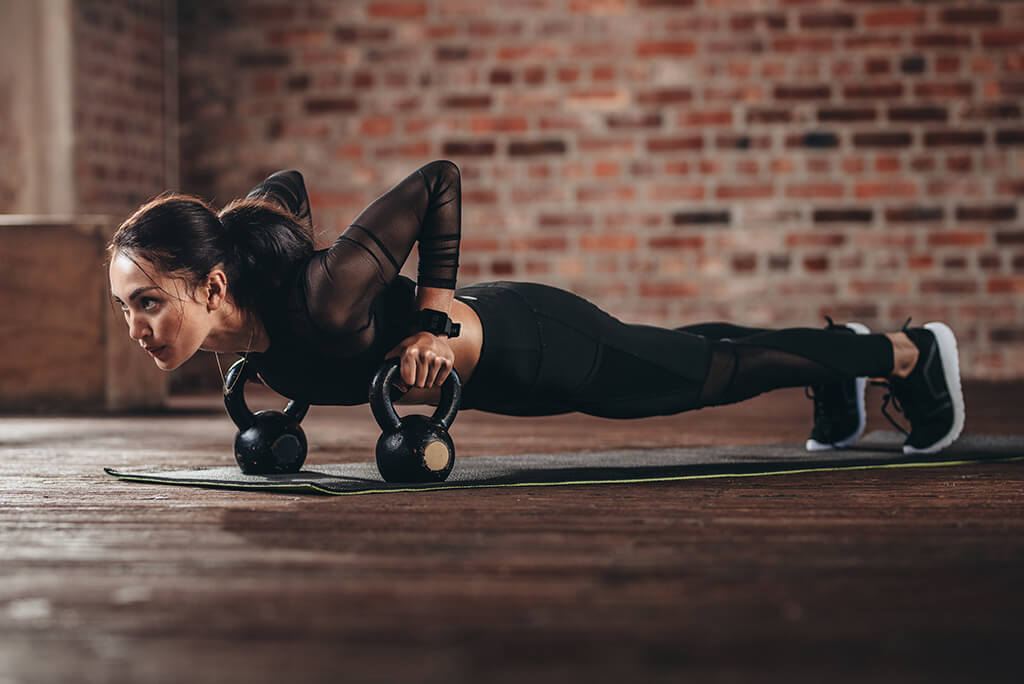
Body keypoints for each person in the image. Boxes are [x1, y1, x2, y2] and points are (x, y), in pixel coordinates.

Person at [107, 160, 965, 455]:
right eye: (123, 308)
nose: (136, 327)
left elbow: (439, 179)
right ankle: (842, 357)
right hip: (510, 376)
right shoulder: (238, 327)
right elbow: (282, 188)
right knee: (690, 348)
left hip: (537, 343)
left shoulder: (322, 302)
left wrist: (431, 320)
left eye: (146, 302)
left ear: (209, 286)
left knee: (705, 374)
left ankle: (904, 353)